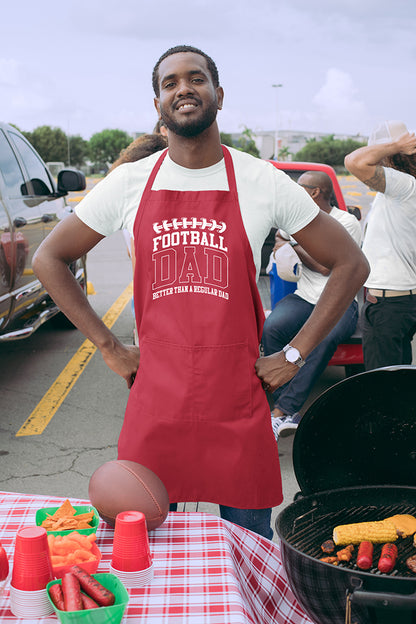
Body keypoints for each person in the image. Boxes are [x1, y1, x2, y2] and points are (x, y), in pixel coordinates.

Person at [32, 45, 369, 540]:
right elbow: (49, 259)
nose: (183, 89)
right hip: (156, 394)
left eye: (196, 79)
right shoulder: (130, 182)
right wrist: (109, 346)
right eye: (170, 83)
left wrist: (295, 355)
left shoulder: (262, 180)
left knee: (249, 540)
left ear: (218, 94)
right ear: (158, 104)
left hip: (238, 393)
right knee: (144, 539)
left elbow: (351, 263)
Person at [262, 171, 362, 439]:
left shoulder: (346, 222)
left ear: (316, 192)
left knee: (324, 338)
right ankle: (285, 399)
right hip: (305, 297)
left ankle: (283, 411)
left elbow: (326, 266)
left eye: (300, 187)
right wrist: (290, 244)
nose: (296, 190)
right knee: (272, 327)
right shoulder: (293, 219)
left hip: (340, 301)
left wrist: (292, 243)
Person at [345, 121, 416, 371]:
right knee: (399, 374)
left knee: (381, 382)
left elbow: (354, 162)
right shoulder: (406, 188)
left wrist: (395, 145)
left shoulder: (403, 186)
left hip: (389, 303)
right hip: (403, 302)